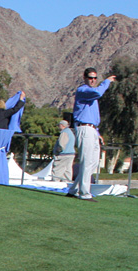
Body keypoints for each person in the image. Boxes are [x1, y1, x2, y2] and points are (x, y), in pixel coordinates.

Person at [67, 68, 116, 201]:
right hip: (84, 128)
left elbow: (93, 116)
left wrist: (98, 133)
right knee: (86, 161)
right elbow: (98, 92)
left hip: (93, 129)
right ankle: (84, 193)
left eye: (95, 78)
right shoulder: (83, 90)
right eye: (90, 77)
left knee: (93, 162)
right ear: (84, 78)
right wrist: (106, 82)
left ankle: (74, 189)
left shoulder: (91, 95)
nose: (93, 80)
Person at [51, 116, 76, 182]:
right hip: (71, 154)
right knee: (67, 171)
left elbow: (62, 144)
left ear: (62, 125)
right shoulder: (71, 132)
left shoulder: (64, 132)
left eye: (59, 125)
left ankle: (55, 184)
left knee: (57, 170)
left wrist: (57, 152)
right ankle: (67, 184)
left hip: (63, 155)